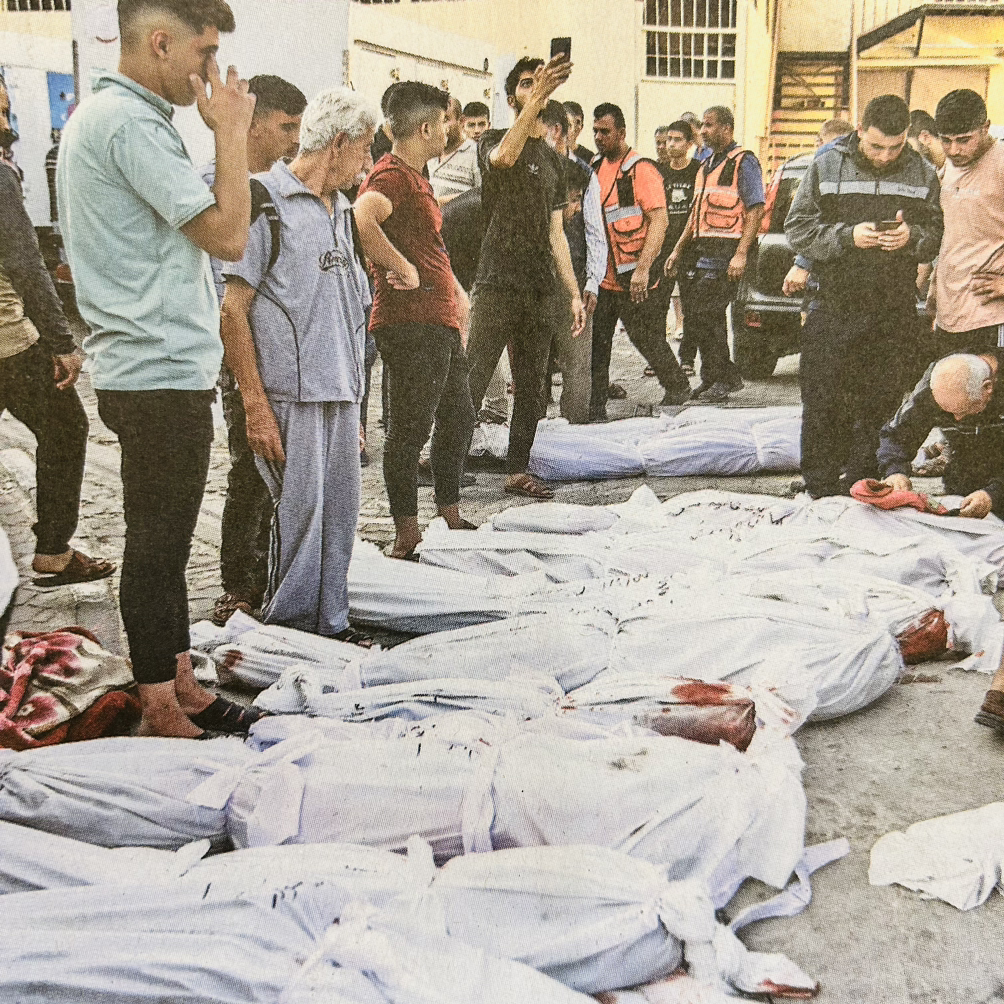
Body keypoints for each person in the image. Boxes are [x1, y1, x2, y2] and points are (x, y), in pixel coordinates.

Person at [56, 0, 258, 738]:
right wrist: (230, 135)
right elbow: (229, 236)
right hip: (154, 367)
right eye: (205, 53)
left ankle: (180, 684)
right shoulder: (129, 124)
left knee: (165, 541)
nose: (213, 72)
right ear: (163, 43)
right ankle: (160, 703)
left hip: (152, 364)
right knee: (157, 542)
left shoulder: (121, 118)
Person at [220, 87, 376, 646]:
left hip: (340, 394)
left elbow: (350, 313)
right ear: (339, 143)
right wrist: (254, 405)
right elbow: (232, 311)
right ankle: (287, 632)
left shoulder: (344, 212)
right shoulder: (264, 201)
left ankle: (331, 625)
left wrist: (356, 402)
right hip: (289, 396)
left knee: (339, 518)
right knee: (297, 521)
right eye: (364, 149)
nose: (366, 163)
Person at [783, 93, 943, 500]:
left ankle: (861, 485)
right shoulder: (826, 163)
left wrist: (912, 238)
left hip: (892, 307)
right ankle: (820, 489)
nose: (885, 156)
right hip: (834, 303)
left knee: (880, 402)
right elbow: (797, 228)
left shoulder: (923, 173)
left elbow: (939, 234)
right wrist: (846, 236)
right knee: (823, 400)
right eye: (876, 146)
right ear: (859, 130)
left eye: (895, 147)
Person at [200, 73, 307, 628]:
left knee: (284, 466)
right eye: (286, 126)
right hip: (235, 347)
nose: (294, 139)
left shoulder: (283, 190)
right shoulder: (216, 184)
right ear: (256, 123)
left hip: (282, 350)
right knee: (250, 466)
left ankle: (276, 573)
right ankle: (239, 585)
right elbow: (219, 291)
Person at [354, 81, 477, 561]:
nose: (450, 130)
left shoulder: (417, 178)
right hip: (410, 323)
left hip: (437, 320)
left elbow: (431, 248)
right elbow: (363, 218)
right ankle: (407, 534)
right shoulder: (392, 176)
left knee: (459, 416)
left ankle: (448, 512)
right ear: (426, 128)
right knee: (409, 429)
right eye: (445, 121)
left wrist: (456, 293)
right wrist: (399, 266)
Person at [0, 80, 114, 590]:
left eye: (6, 111)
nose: (6, 126)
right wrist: (63, 342)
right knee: (66, 427)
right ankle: (52, 550)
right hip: (8, 342)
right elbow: (26, 265)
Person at [465, 55, 585, 500]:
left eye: (540, 82)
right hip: (497, 281)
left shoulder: (554, 161)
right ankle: (444, 463)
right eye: (526, 83)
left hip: (538, 288)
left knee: (533, 388)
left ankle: (517, 469)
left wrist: (573, 293)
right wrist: (536, 100)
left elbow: (557, 234)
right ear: (512, 95)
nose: (535, 88)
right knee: (473, 377)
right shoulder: (494, 139)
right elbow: (504, 158)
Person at [588, 102, 691, 421]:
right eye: (595, 131)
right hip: (603, 277)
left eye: (605, 132)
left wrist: (643, 270)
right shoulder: (595, 167)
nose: (598, 137)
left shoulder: (640, 170)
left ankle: (677, 386)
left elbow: (659, 221)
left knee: (644, 336)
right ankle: (595, 406)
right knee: (597, 344)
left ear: (621, 133)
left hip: (632, 274)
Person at [664, 105, 765, 403]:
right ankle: (714, 377)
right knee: (700, 317)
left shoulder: (744, 162)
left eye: (709, 125)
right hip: (704, 253)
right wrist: (678, 250)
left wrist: (741, 254)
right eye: (703, 126)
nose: (703, 131)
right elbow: (695, 214)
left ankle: (725, 377)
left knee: (707, 314)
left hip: (727, 253)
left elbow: (756, 210)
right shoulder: (706, 165)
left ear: (726, 129)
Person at [540, 99, 604, 424]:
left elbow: (595, 232)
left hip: (575, 281)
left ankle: (575, 433)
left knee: (577, 365)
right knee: (534, 367)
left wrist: (592, 282)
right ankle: (533, 437)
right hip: (535, 283)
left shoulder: (585, 175)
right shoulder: (530, 172)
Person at [929, 90, 1004, 356]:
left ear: (985, 127)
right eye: (946, 140)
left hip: (991, 316)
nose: (954, 150)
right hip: (950, 312)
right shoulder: (949, 166)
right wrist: (935, 284)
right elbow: (954, 233)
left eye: (964, 140)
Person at [781, 118, 855, 299]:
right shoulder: (861, 159)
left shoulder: (825, 158)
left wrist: (803, 263)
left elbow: (819, 218)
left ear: (820, 141)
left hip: (826, 271)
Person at [655, 120, 701, 370]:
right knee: (658, 304)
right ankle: (659, 360)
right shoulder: (659, 172)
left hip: (690, 247)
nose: (670, 145)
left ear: (689, 143)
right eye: (668, 140)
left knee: (691, 305)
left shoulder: (698, 170)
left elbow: (696, 212)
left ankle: (687, 359)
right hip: (662, 246)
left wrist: (679, 248)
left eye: (677, 140)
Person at [426, 95, 481, 204]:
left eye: (445, 119)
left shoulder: (475, 154)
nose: (440, 126)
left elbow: (482, 196)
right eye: (435, 120)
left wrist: (441, 202)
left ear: (461, 121)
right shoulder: (430, 153)